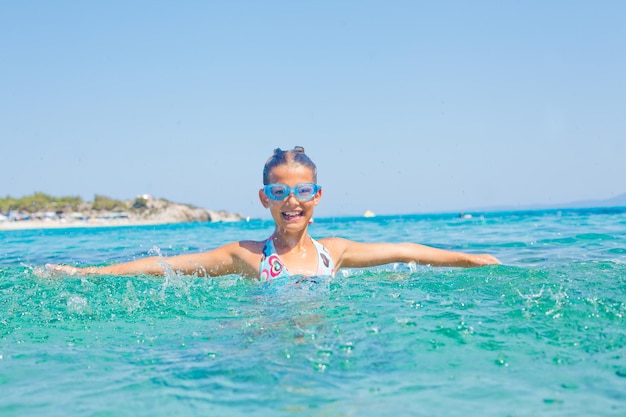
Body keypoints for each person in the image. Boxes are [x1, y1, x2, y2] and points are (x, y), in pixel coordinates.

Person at [47, 146, 500, 279]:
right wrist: (90, 274)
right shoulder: (246, 256)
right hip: (265, 346)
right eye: (279, 191)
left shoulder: (335, 253)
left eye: (303, 190)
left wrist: (471, 259)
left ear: (318, 195)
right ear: (264, 198)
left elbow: (404, 250)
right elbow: (167, 266)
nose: (292, 200)